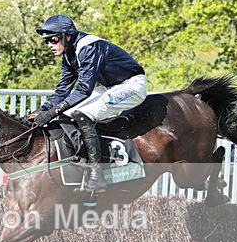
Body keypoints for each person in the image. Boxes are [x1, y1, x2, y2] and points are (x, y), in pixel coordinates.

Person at [27, 14, 147, 192]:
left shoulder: (88, 47)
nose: (49, 45)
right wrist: (41, 110)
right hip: (111, 87)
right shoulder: (68, 54)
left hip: (132, 85)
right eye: (46, 41)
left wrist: (52, 113)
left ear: (67, 36)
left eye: (53, 40)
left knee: (82, 114)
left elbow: (84, 89)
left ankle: (97, 176)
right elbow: (62, 92)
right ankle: (81, 164)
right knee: (67, 114)